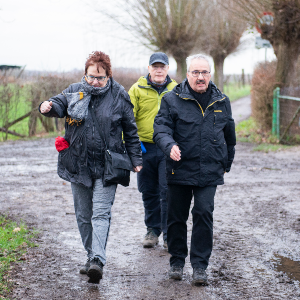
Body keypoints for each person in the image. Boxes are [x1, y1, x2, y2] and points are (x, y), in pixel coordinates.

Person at [39, 51, 142, 284]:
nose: (95, 82)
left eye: (100, 78)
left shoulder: (119, 96)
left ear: (109, 76)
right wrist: (47, 106)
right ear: (85, 75)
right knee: (83, 215)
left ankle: (97, 259)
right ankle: (90, 255)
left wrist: (136, 159)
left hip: (109, 165)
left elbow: (131, 131)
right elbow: (59, 103)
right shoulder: (76, 90)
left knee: (101, 213)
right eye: (91, 77)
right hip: (78, 163)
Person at [153, 54, 236, 285]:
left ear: (210, 74)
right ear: (187, 74)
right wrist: (169, 146)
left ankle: (200, 266)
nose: (200, 77)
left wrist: (226, 164)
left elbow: (230, 137)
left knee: (203, 213)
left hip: (209, 171)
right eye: (196, 72)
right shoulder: (171, 99)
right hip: (178, 170)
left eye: (204, 72)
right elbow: (160, 129)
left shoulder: (222, 101)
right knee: (176, 217)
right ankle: (177, 262)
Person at [128, 52, 177, 249]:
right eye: (155, 66)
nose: (158, 70)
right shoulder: (137, 89)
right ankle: (152, 230)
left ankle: (168, 234)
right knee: (148, 190)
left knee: (168, 190)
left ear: (167, 69)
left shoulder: (176, 90)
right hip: (144, 148)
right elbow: (127, 119)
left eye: (162, 66)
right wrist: (132, 145)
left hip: (167, 148)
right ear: (149, 68)